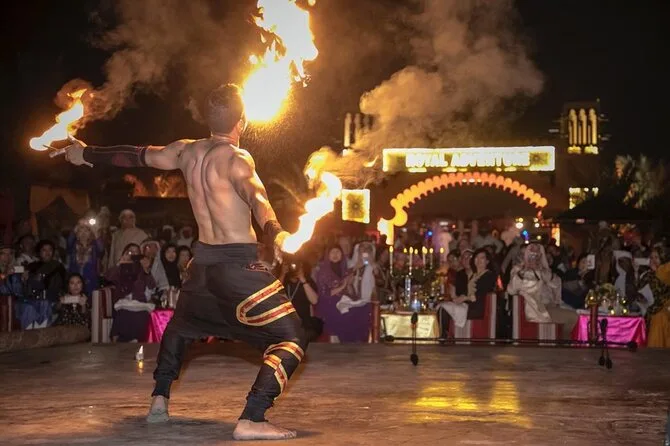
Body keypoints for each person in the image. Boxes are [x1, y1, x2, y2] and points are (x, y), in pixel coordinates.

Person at [62, 83, 306, 440]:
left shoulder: (185, 151)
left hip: (202, 266)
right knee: (293, 338)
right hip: (237, 267)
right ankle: (253, 417)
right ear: (241, 121)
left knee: (182, 327)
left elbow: (135, 156)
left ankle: (159, 401)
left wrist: (86, 153)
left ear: (208, 119)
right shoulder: (238, 159)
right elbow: (258, 199)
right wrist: (277, 233)